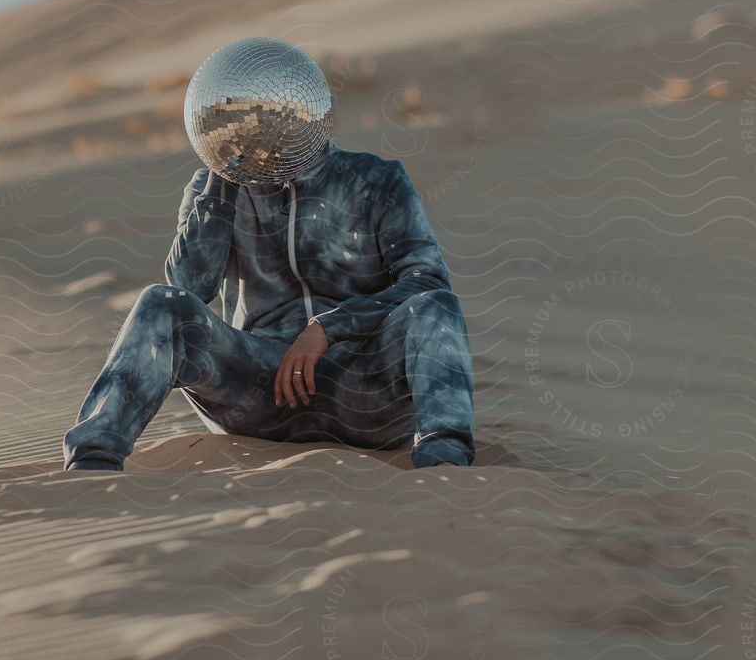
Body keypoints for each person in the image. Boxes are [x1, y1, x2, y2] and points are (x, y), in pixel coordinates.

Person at [60, 136, 477, 472]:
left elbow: (426, 279)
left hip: (365, 390)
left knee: (435, 306)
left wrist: (329, 327)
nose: (262, 127)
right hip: (260, 388)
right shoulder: (213, 187)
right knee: (161, 302)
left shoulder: (377, 180)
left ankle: (446, 467)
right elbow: (189, 287)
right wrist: (224, 174)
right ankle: (92, 464)